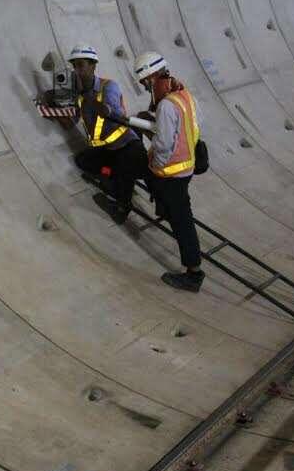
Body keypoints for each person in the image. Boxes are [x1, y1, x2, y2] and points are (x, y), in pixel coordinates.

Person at [132, 51, 205, 292]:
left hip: (171, 174)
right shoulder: (184, 95)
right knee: (180, 214)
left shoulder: (165, 106)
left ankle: (193, 274)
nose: (145, 88)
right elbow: (188, 130)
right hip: (187, 169)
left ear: (152, 77)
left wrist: (154, 165)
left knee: (182, 222)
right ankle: (164, 208)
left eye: (145, 83)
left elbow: (163, 145)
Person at [66, 44, 147, 224]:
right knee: (83, 161)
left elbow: (109, 112)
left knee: (123, 181)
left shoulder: (108, 87)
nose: (77, 70)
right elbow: (71, 122)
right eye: (75, 66)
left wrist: (87, 95)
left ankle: (122, 206)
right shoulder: (79, 95)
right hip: (107, 150)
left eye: (81, 65)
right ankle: (111, 174)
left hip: (126, 146)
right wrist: (55, 105)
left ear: (93, 66)